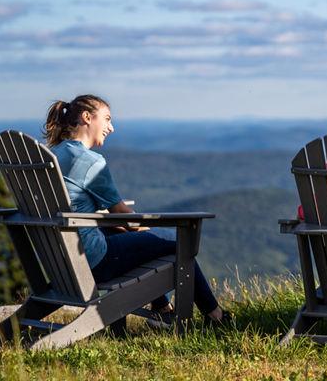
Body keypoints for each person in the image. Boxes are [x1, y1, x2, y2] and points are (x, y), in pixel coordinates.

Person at [43, 94, 232, 330]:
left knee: (129, 233)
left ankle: (162, 310)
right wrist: (144, 229)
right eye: (108, 119)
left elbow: (91, 210)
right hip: (93, 260)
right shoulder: (89, 161)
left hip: (61, 258)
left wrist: (128, 227)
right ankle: (215, 317)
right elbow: (120, 211)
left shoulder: (55, 154)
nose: (111, 127)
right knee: (175, 242)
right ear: (87, 117)